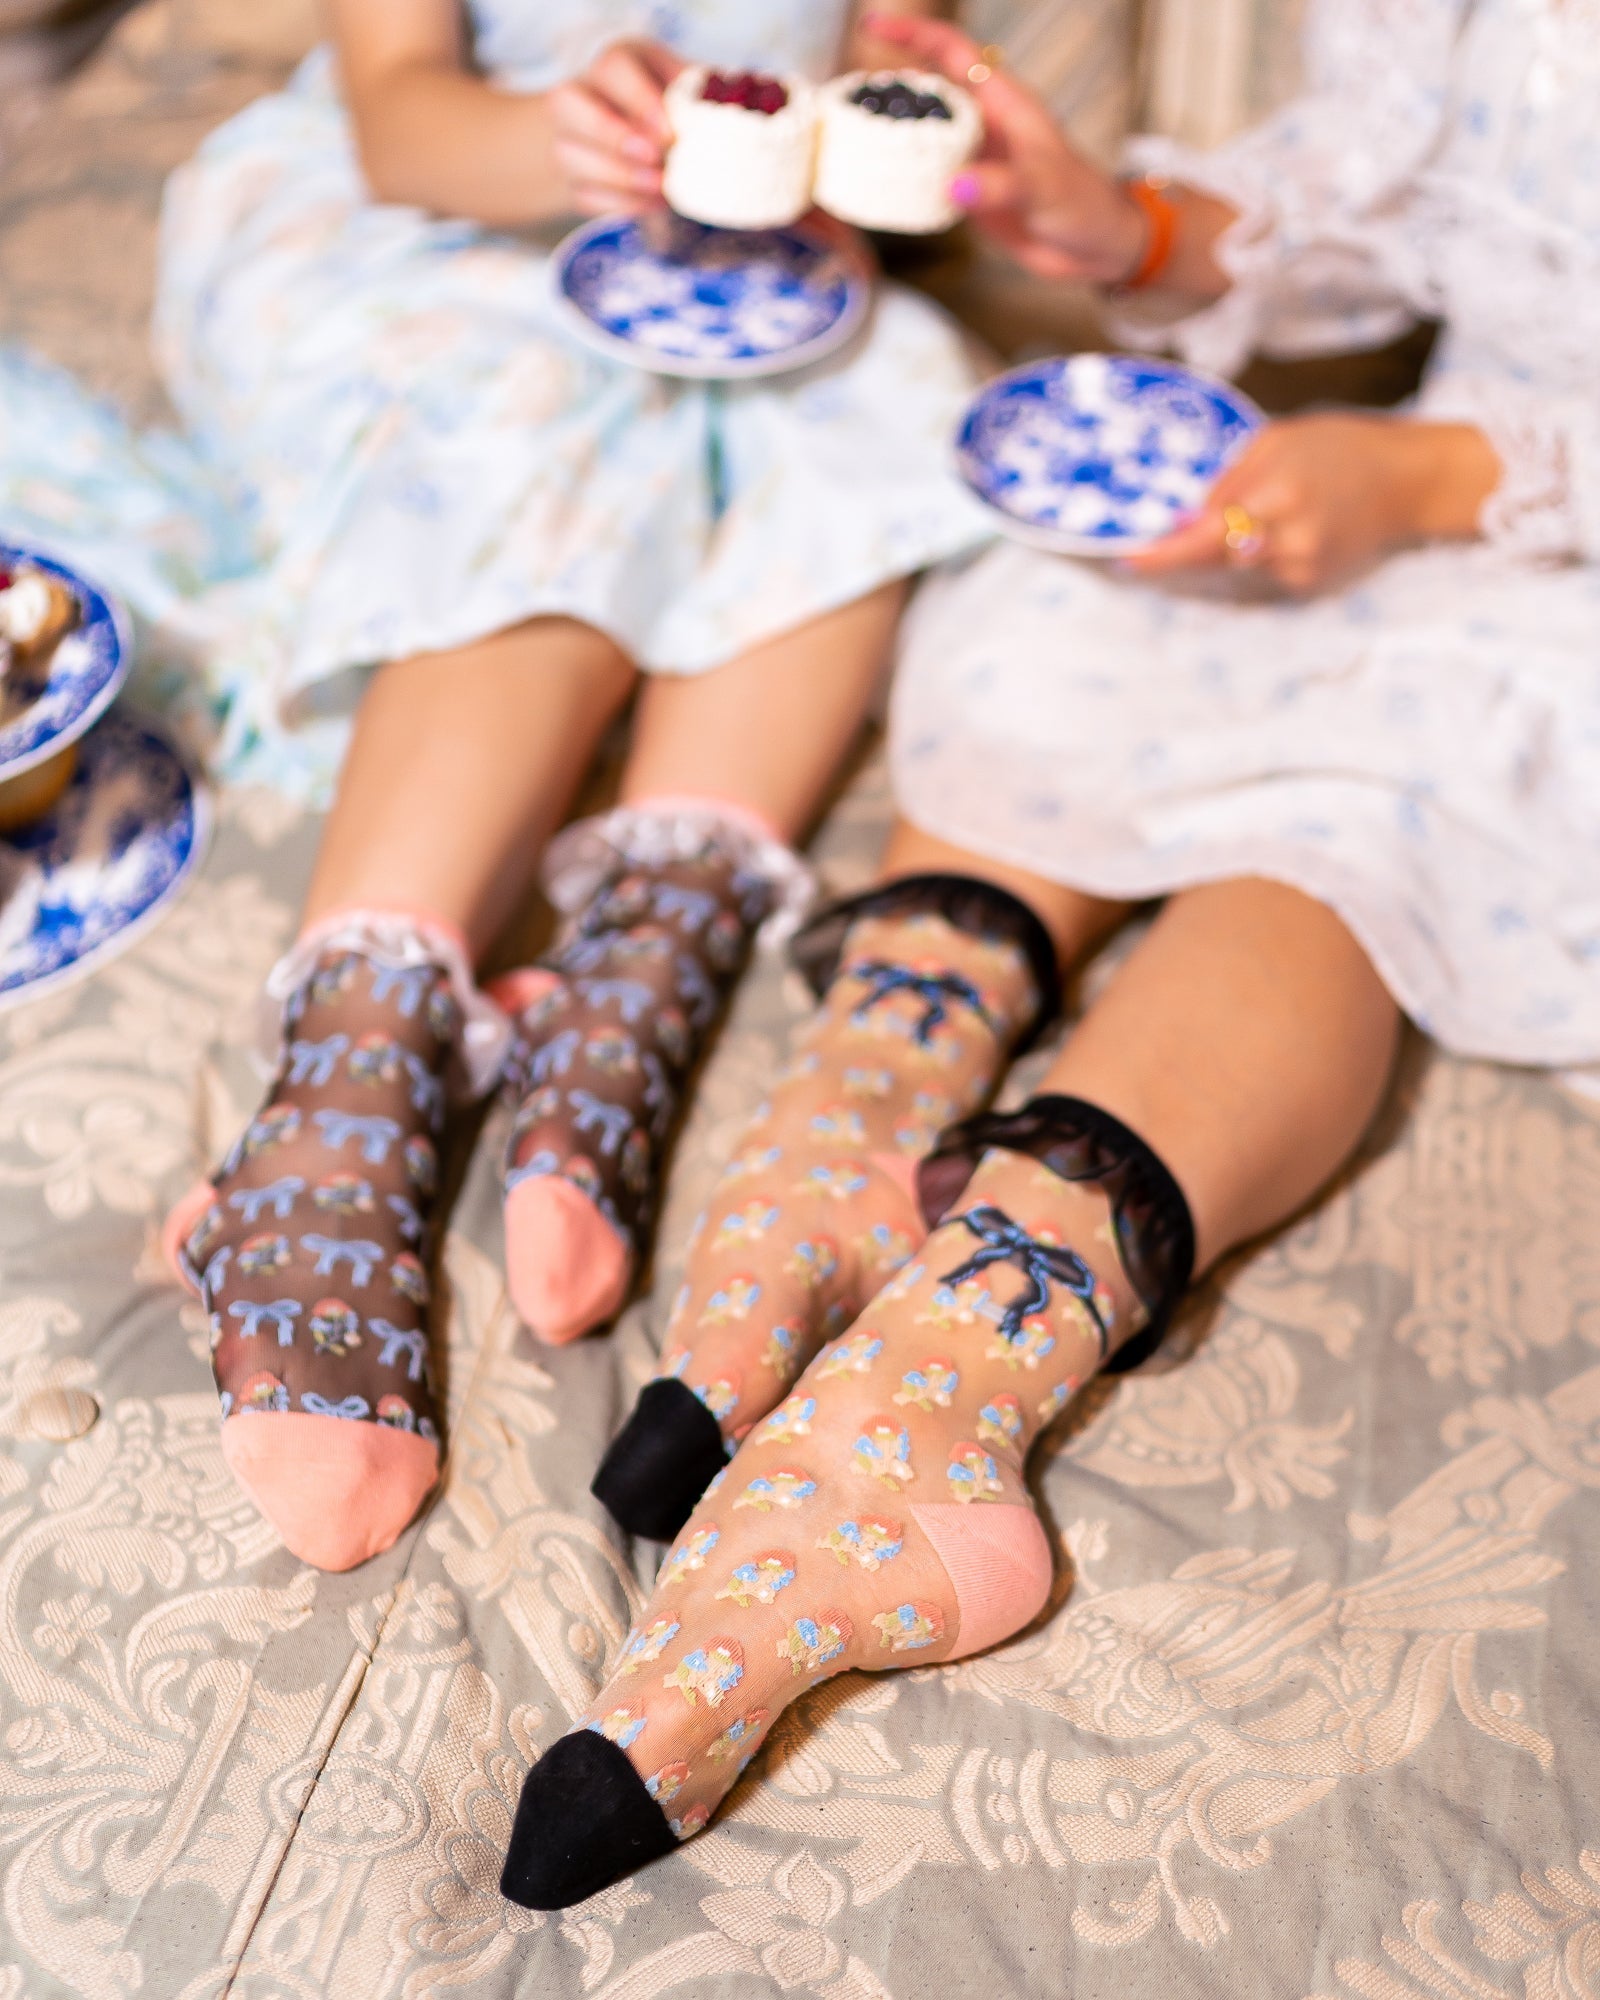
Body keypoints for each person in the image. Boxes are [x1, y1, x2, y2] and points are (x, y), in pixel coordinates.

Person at [501, 0, 1600, 1909]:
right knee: (1049, 642)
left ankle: (945, 1378)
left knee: (1357, 819)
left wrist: (1437, 482)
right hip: (1399, 483)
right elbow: (1393, 192)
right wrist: (1136, 230)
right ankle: (859, 1126)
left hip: (1539, 569)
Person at [156, 0, 991, 1575]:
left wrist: (882, 121)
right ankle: (346, 1078)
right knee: (552, 437)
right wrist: (570, 141)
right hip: (436, 233)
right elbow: (400, 121)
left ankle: (645, 964)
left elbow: (880, 81)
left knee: (881, 406)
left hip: (741, 277)